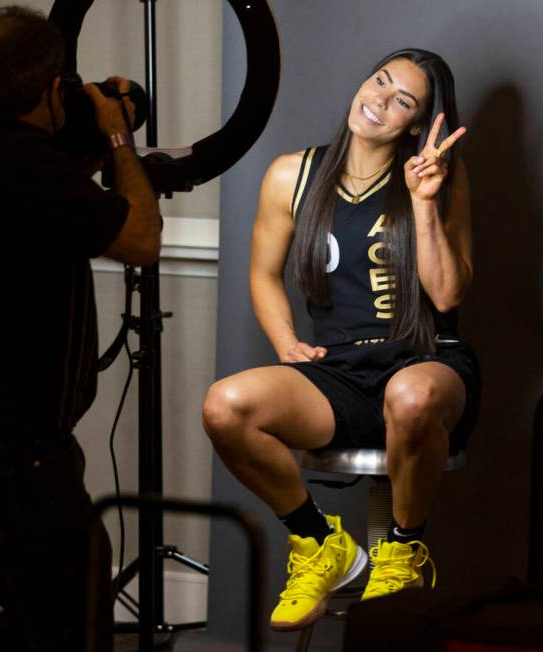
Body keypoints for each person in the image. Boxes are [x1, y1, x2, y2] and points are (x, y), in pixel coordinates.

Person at [202, 48, 480, 632]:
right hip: (340, 372)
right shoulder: (292, 174)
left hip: (427, 364)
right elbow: (261, 272)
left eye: (402, 99)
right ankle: (317, 542)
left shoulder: (434, 176)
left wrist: (426, 206)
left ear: (416, 122)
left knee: (410, 396)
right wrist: (284, 340)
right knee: (225, 408)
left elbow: (449, 295)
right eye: (379, 82)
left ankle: (403, 551)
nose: (379, 100)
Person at [0, 6, 161, 651]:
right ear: (53, 90)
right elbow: (140, 239)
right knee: (72, 622)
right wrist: (117, 136)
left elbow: (52, 200)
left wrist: (90, 128)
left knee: (33, 620)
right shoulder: (19, 168)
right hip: (14, 457)